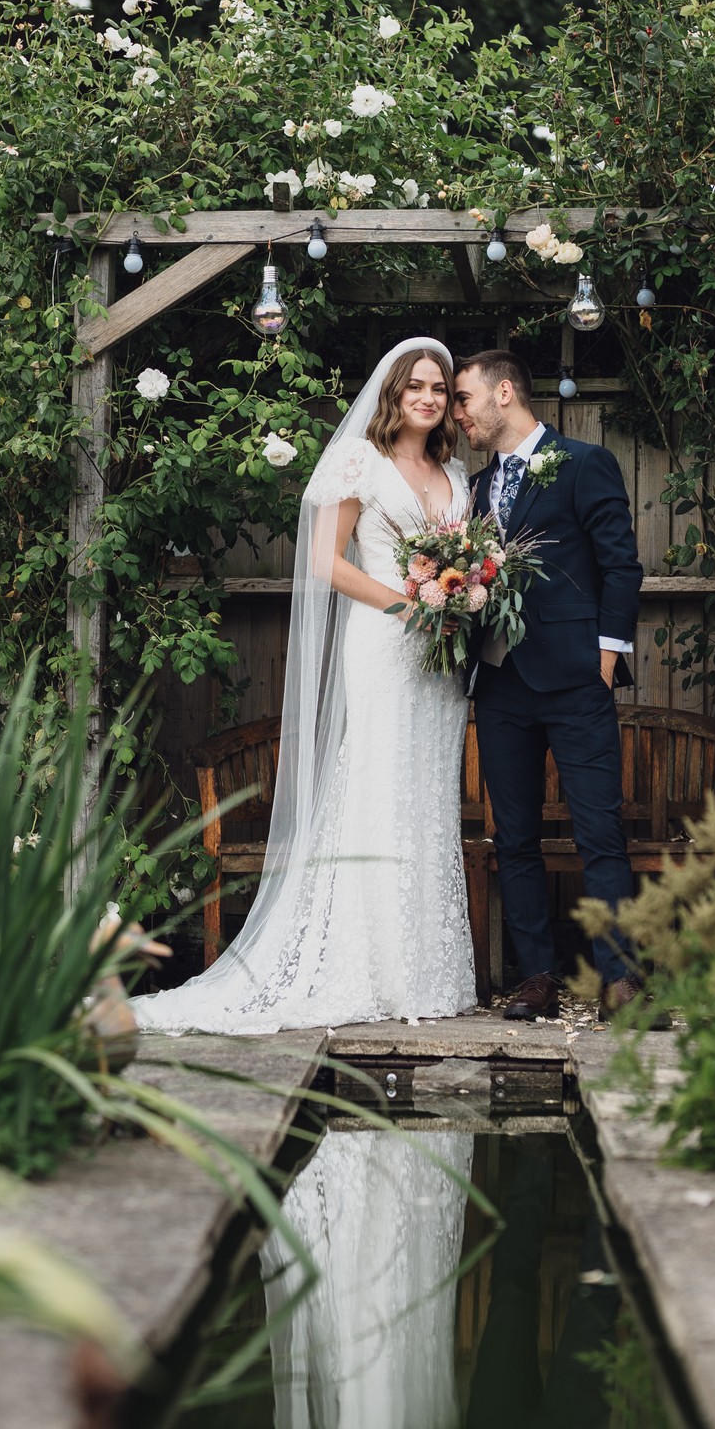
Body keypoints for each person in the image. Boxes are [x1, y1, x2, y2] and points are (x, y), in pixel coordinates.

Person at [134, 337, 477, 1035]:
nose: (428, 397)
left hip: (441, 658)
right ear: (393, 392)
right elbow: (325, 560)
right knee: (380, 787)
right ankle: (373, 968)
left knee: (427, 795)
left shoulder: (454, 472)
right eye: (415, 385)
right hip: (385, 643)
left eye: (439, 388)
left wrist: (461, 596)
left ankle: (426, 968)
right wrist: (406, 606)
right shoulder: (361, 461)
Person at [453, 349, 643, 1021]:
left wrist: (606, 659)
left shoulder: (585, 463)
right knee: (515, 838)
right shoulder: (475, 489)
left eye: (464, 399)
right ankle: (535, 977)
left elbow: (621, 566)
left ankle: (620, 978)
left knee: (599, 831)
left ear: (504, 392)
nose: (458, 414)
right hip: (501, 685)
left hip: (575, 680)